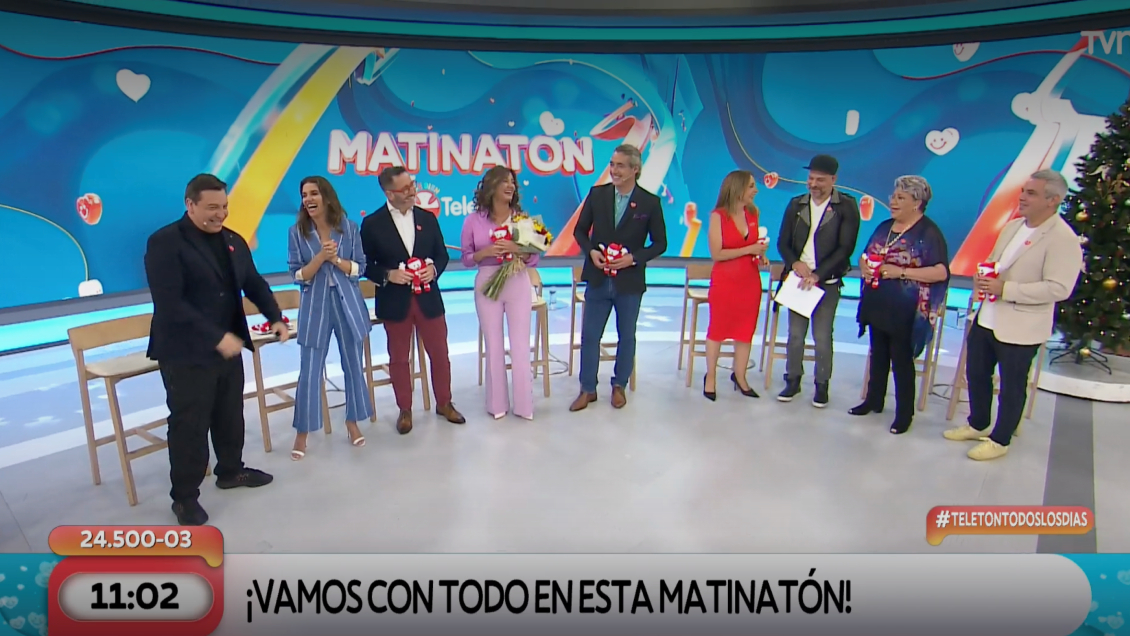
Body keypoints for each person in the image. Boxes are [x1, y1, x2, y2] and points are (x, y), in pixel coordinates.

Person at [145, 173, 284, 526]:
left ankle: (231, 470)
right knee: (190, 424)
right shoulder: (165, 243)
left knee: (229, 414)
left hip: (227, 349)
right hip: (185, 352)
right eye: (211, 207)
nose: (220, 214)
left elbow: (254, 283)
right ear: (190, 205)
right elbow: (170, 303)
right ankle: (185, 497)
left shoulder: (233, 240)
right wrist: (215, 336)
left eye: (224, 206)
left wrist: (275, 317)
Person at [943, 169, 1082, 460]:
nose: (1022, 197)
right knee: (976, 373)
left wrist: (1006, 289)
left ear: (1053, 200)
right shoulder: (1013, 227)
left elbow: (1059, 288)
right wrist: (984, 276)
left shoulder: (1062, 238)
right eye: (1023, 191)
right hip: (987, 317)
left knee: (1012, 385)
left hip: (1022, 325)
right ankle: (978, 423)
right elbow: (996, 262)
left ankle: (1000, 439)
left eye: (1031, 193)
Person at [361, 166, 465, 433]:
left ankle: (445, 402)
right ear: (389, 193)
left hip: (429, 299)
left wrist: (434, 270)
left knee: (440, 354)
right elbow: (364, 265)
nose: (412, 192)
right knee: (398, 358)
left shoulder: (427, 218)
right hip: (395, 302)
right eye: (405, 188)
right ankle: (405, 409)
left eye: (412, 185)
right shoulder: (372, 224)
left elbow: (442, 255)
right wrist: (388, 275)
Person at [569, 144, 668, 411]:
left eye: (620, 165)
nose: (614, 170)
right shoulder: (597, 195)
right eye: (612, 164)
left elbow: (660, 243)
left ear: (635, 169)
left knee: (627, 335)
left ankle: (619, 385)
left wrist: (633, 258)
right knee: (590, 336)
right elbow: (579, 231)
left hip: (629, 282)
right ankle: (587, 389)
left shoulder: (650, 203)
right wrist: (591, 252)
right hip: (598, 278)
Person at [852, 176, 949, 434]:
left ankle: (904, 414)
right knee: (878, 354)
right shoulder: (884, 227)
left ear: (917, 203)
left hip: (907, 309)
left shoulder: (928, 233)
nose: (893, 202)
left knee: (901, 360)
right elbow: (866, 254)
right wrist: (865, 266)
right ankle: (873, 400)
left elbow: (940, 272)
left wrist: (902, 272)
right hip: (878, 301)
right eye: (893, 196)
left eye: (900, 198)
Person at [287, 176, 372, 460]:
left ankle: (352, 421)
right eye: (304, 195)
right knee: (310, 370)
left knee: (353, 365)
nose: (308, 199)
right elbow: (297, 275)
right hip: (315, 306)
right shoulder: (297, 232)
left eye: (313, 193)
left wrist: (335, 259)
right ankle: (303, 432)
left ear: (326, 197)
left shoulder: (349, 228)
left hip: (348, 305)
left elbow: (359, 268)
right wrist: (320, 258)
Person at [775, 154, 861, 407]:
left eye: (820, 180)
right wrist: (795, 264)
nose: (813, 184)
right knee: (795, 335)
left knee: (822, 336)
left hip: (827, 282)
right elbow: (783, 242)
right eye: (811, 178)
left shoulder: (846, 207)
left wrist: (818, 275)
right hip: (798, 281)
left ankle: (821, 384)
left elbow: (845, 248)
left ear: (833, 180)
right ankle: (792, 379)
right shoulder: (796, 205)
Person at [460, 167, 538, 420]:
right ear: (491, 187)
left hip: (517, 280)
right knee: (493, 345)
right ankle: (497, 405)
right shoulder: (473, 221)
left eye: (512, 182)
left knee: (520, 345)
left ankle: (524, 405)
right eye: (504, 182)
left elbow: (534, 258)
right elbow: (467, 259)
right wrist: (485, 253)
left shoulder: (522, 220)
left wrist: (517, 249)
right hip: (487, 284)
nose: (510, 186)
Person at [702, 170, 767, 401]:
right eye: (751, 186)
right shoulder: (718, 216)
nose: (755, 190)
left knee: (745, 331)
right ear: (737, 188)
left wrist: (760, 255)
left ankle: (740, 376)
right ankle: (710, 377)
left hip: (750, 282)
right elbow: (717, 254)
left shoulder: (753, 213)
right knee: (717, 330)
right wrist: (749, 249)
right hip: (725, 282)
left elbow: (753, 246)